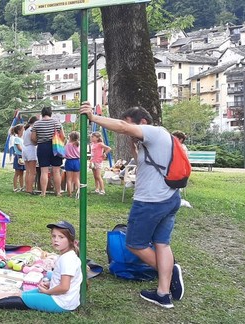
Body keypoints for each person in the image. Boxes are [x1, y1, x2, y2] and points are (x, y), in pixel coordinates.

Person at [80, 102, 184, 308]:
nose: (128, 131)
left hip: (151, 202)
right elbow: (144, 163)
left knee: (135, 244)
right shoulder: (155, 140)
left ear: (142, 123)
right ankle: (163, 294)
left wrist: (93, 118)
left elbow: (121, 125)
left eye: (130, 126)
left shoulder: (153, 132)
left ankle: (170, 271)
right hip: (168, 198)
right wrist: (132, 144)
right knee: (162, 243)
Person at [0, 220, 83, 313]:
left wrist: (48, 292)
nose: (56, 240)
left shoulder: (68, 259)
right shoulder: (66, 256)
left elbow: (64, 287)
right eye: (54, 236)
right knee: (18, 293)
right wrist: (51, 284)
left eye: (61, 237)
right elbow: (64, 280)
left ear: (70, 240)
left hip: (61, 303)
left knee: (20, 298)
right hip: (62, 298)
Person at [31, 107, 65, 197]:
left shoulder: (37, 123)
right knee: (56, 171)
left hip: (42, 147)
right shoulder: (57, 122)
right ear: (51, 113)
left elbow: (33, 138)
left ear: (42, 114)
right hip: (55, 146)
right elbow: (63, 136)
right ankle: (58, 192)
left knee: (44, 171)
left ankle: (43, 192)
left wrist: (38, 141)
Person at [22, 116, 39, 194]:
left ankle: (27, 188)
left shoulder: (26, 130)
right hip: (31, 148)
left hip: (25, 149)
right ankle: (30, 189)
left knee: (28, 171)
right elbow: (33, 139)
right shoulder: (32, 129)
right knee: (32, 171)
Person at [64, 131, 80, 198]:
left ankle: (69, 193)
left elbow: (64, 154)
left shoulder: (67, 145)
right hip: (77, 161)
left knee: (69, 179)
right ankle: (79, 191)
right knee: (76, 178)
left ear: (70, 137)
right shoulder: (78, 144)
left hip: (69, 161)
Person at [11, 125, 26, 192]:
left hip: (22, 157)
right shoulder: (17, 139)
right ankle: (15, 187)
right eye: (23, 129)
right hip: (18, 157)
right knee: (17, 173)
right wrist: (25, 150)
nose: (24, 131)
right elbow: (19, 148)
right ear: (19, 131)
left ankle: (22, 186)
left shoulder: (22, 139)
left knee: (22, 173)